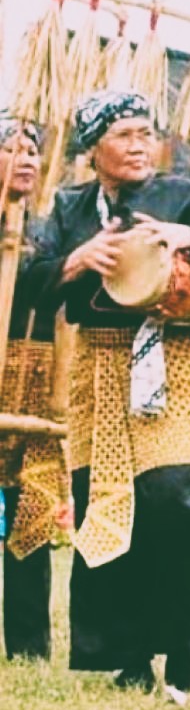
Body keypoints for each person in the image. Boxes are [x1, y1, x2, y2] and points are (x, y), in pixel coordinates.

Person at [22, 90, 190, 703]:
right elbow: (32, 287)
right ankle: (126, 656)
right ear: (93, 148)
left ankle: (179, 646)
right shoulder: (71, 207)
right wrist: (74, 262)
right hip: (98, 368)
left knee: (165, 506)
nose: (138, 144)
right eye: (124, 134)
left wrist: (188, 235)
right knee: (103, 506)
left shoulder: (189, 195)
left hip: (175, 364)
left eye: (146, 133)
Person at [0, 112, 64, 660]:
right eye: (12, 149)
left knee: (32, 508)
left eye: (31, 151)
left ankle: (28, 645)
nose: (25, 160)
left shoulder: (51, 226)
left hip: (41, 376)